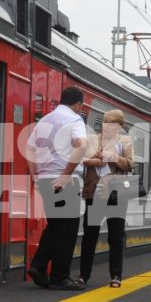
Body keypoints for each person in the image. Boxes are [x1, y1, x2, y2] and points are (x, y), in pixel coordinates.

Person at [26, 85, 90, 290]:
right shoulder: (74, 120)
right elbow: (81, 146)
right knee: (68, 229)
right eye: (81, 106)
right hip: (65, 180)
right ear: (78, 104)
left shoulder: (45, 120)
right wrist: (65, 175)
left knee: (55, 225)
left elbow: (28, 148)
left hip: (45, 179)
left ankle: (38, 265)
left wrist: (35, 174)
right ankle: (60, 276)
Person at [77, 108, 136, 288]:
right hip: (94, 191)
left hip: (116, 192)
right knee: (90, 235)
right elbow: (84, 160)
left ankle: (116, 275)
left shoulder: (125, 141)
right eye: (104, 122)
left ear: (119, 126)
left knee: (116, 235)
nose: (106, 126)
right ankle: (83, 276)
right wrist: (97, 157)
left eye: (110, 124)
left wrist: (114, 157)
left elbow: (130, 164)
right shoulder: (93, 140)